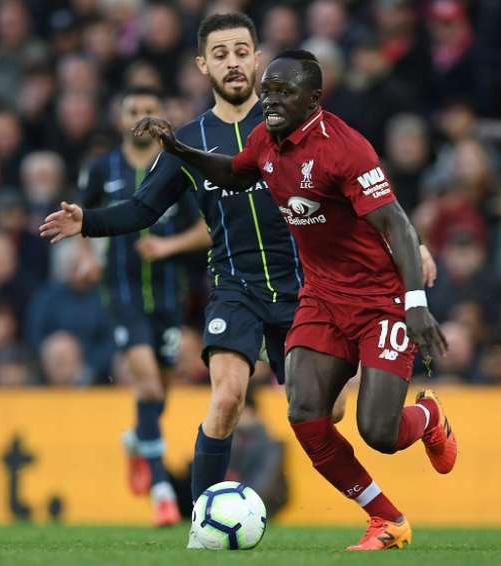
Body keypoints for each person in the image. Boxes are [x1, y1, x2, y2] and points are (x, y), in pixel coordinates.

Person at [39, 14, 437, 543]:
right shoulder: (192, 138)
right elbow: (140, 209)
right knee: (226, 396)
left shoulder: (293, 122)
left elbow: (369, 199)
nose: (232, 62)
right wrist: (87, 221)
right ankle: (202, 527)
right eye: (220, 53)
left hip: (305, 289)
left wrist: (418, 248)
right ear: (203, 65)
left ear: (256, 57)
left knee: (333, 412)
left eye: (242, 51)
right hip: (235, 288)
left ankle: (413, 436)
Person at [132, 50, 454, 551]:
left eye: (283, 92)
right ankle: (385, 519)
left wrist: (414, 303)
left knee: (378, 432)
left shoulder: (346, 149)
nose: (270, 100)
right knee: (305, 414)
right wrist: (178, 149)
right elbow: (237, 172)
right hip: (322, 298)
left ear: (314, 99)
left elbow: (397, 224)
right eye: (268, 90)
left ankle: (429, 418)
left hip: (379, 301)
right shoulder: (266, 138)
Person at [75, 86, 210, 527]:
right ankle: (161, 493)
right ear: (120, 119)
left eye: (149, 110)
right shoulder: (101, 170)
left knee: (160, 396)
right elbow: (82, 219)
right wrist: (84, 259)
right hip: (122, 297)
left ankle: (137, 439)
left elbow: (208, 230)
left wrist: (168, 246)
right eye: (133, 110)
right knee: (149, 387)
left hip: (170, 299)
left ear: (162, 118)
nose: (141, 116)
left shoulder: (177, 168)